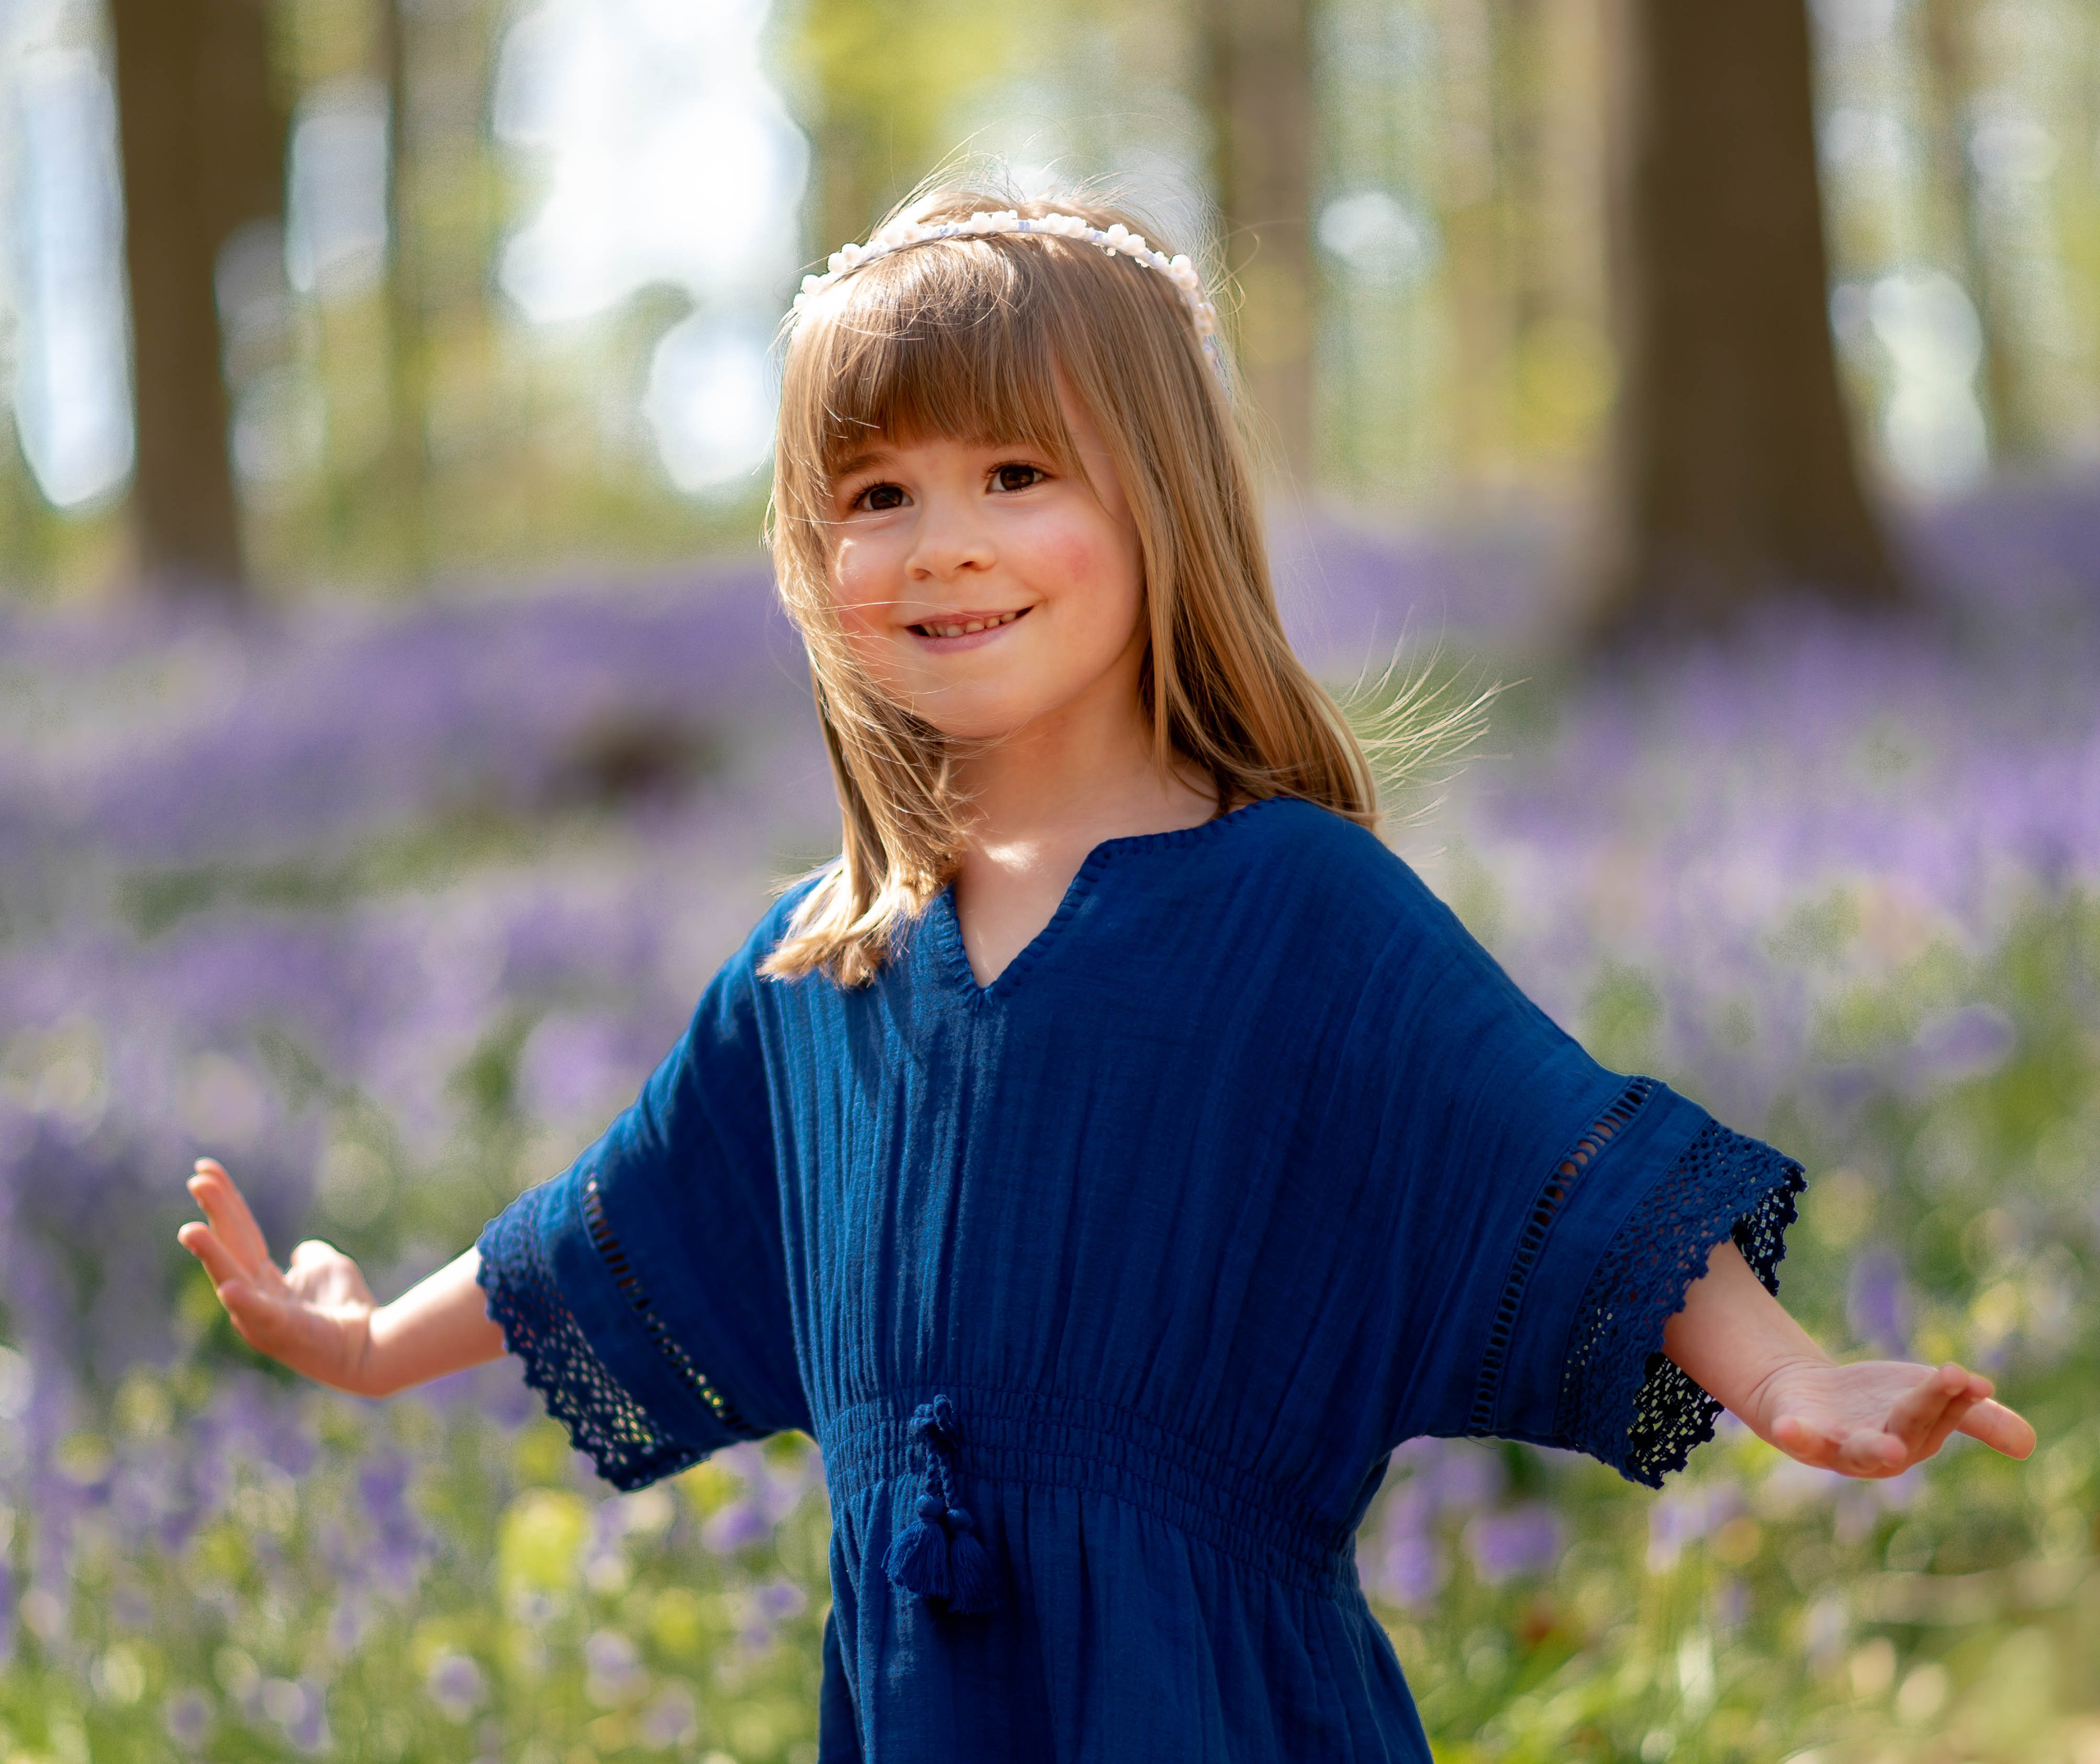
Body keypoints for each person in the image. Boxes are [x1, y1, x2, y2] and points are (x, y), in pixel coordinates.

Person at [178, 185, 2034, 1760]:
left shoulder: (1288, 901)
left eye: (1011, 470)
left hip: (1205, 1692)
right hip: (922, 1691)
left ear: (1158, 503)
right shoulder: (814, 967)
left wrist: (1787, 1376)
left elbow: (1549, 1153)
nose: (941, 539)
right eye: (875, 493)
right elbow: (606, 1221)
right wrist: (366, 1338)